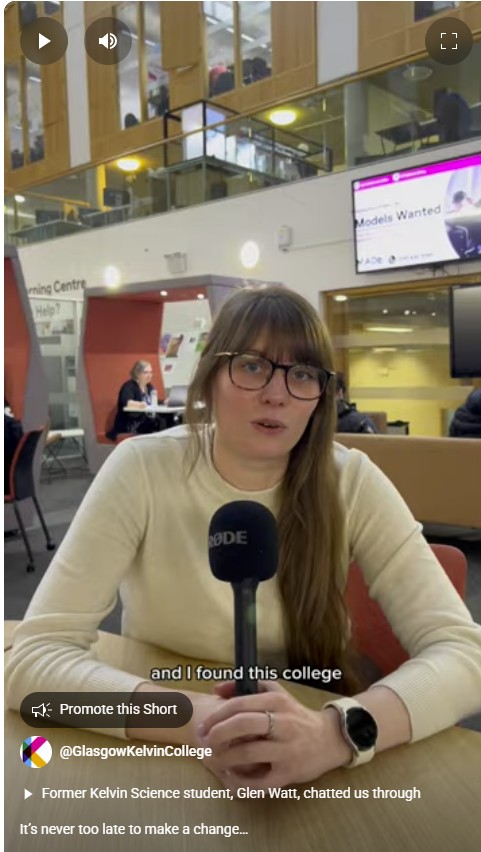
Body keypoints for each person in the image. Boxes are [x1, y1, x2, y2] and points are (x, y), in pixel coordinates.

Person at [6, 286, 481, 794]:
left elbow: (465, 655)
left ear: (322, 395)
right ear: (210, 375)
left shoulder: (351, 480)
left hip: (312, 733)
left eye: (302, 374)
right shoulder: (143, 469)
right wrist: (197, 722)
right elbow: (32, 664)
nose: (277, 393)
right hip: (168, 740)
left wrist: (337, 733)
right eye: (252, 366)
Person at [106, 360, 164, 441]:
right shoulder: (129, 386)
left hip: (145, 421)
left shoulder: (149, 387)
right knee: (159, 425)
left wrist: (164, 402)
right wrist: (140, 404)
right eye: (146, 372)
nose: (149, 375)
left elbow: (152, 401)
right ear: (138, 373)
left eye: (151, 372)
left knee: (167, 421)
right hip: (130, 424)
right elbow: (127, 402)